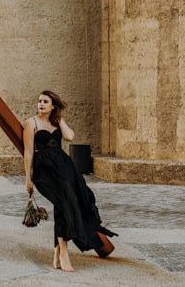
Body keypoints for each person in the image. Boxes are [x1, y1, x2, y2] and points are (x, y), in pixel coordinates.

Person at [23, 90, 116, 272]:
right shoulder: (31, 123)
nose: (41, 104)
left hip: (65, 168)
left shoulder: (56, 122)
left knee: (67, 204)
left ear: (53, 106)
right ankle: (63, 253)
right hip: (44, 171)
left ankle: (58, 252)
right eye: (39, 101)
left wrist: (60, 119)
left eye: (45, 101)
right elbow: (28, 153)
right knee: (64, 203)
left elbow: (70, 137)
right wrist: (28, 179)